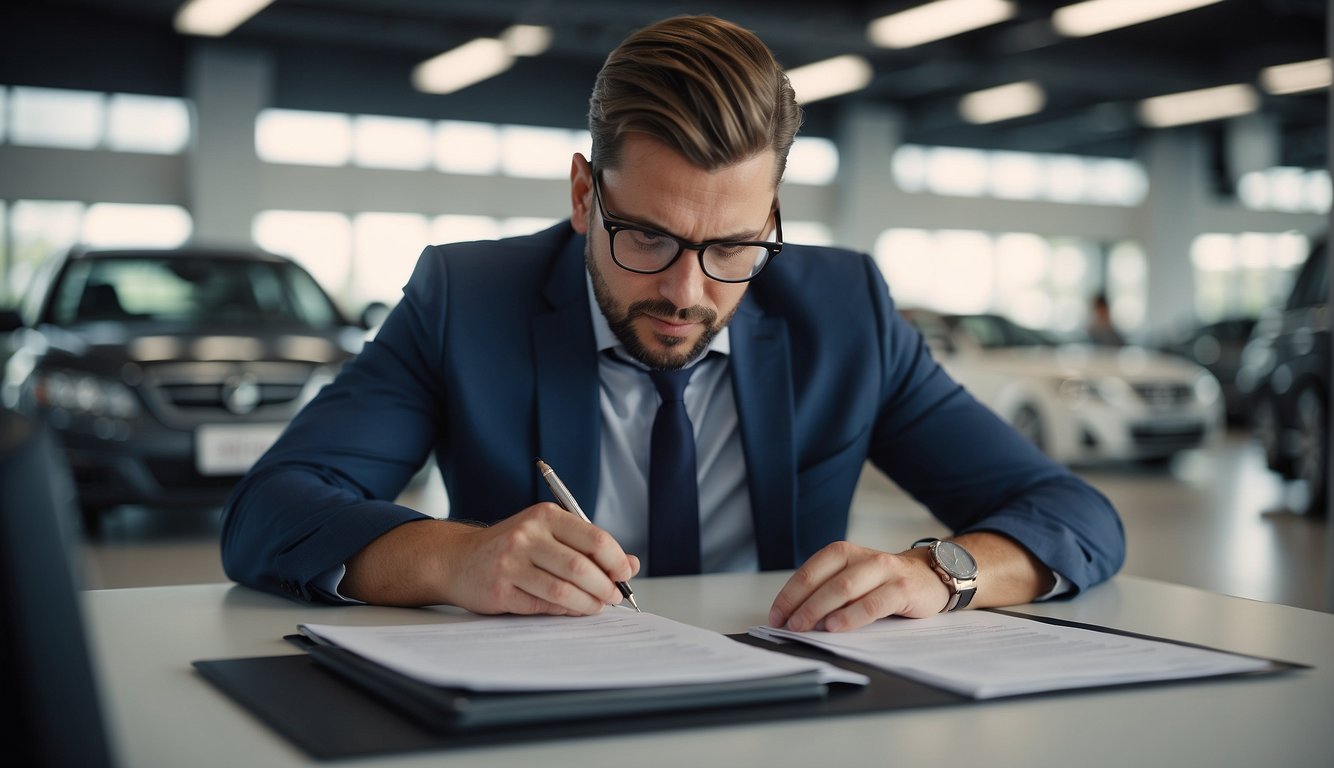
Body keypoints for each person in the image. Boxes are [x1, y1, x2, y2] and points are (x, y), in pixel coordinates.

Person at [221, 15, 1124, 632]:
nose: (688, 291)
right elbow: (271, 513)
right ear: (584, 194)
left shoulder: (844, 313)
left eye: (733, 244)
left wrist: (942, 575)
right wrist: (454, 561)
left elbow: (1074, 514)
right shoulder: (468, 298)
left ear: (771, 213)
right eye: (647, 237)